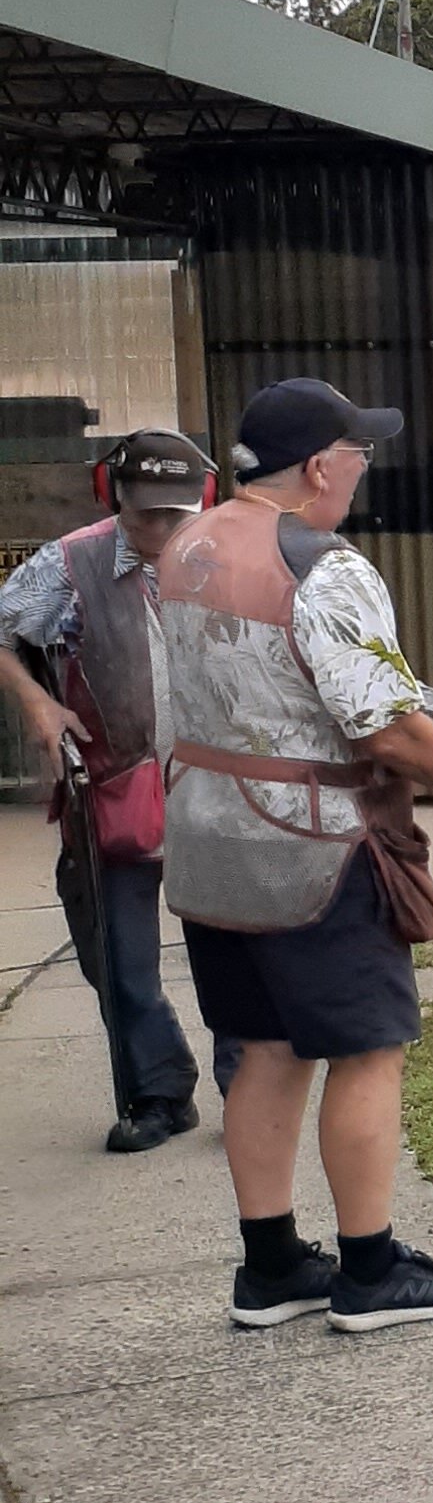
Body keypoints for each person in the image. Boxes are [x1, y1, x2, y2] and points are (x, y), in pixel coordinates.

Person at [152, 378, 433, 1337]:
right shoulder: (324, 566)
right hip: (314, 849)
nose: (365, 468)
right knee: (369, 1048)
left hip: (208, 844)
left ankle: (272, 1266)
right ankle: (371, 1272)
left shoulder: (185, 545)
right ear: (322, 466)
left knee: (266, 1048)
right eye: (358, 452)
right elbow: (384, 727)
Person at [0, 426, 220, 1150]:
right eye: (143, 511)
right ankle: (159, 1093)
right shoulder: (69, 563)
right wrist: (37, 703)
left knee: (234, 950)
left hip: (219, 789)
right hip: (112, 785)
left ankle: (251, 1088)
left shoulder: (234, 557)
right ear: (112, 494)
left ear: (204, 500)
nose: (158, 528)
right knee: (118, 959)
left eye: (173, 513)